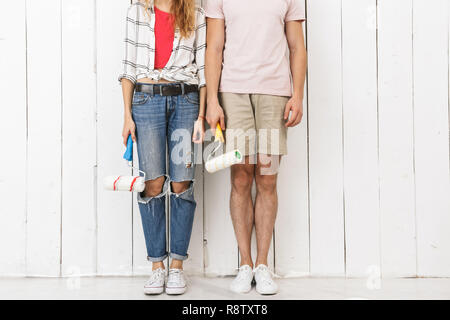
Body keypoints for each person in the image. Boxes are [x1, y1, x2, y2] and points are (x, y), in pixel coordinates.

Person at [205, 0, 307, 295]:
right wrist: (213, 100)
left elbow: (297, 47)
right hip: (233, 92)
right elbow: (213, 48)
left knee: (267, 177)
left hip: (275, 93)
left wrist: (297, 95)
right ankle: (245, 264)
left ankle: (262, 265)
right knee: (240, 177)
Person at [118, 0, 206, 295]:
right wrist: (127, 115)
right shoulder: (137, 12)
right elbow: (128, 68)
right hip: (146, 103)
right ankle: (157, 266)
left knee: (182, 182)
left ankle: (177, 267)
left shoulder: (195, 13)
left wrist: (202, 117)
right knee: (152, 184)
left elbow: (204, 71)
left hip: (186, 102)